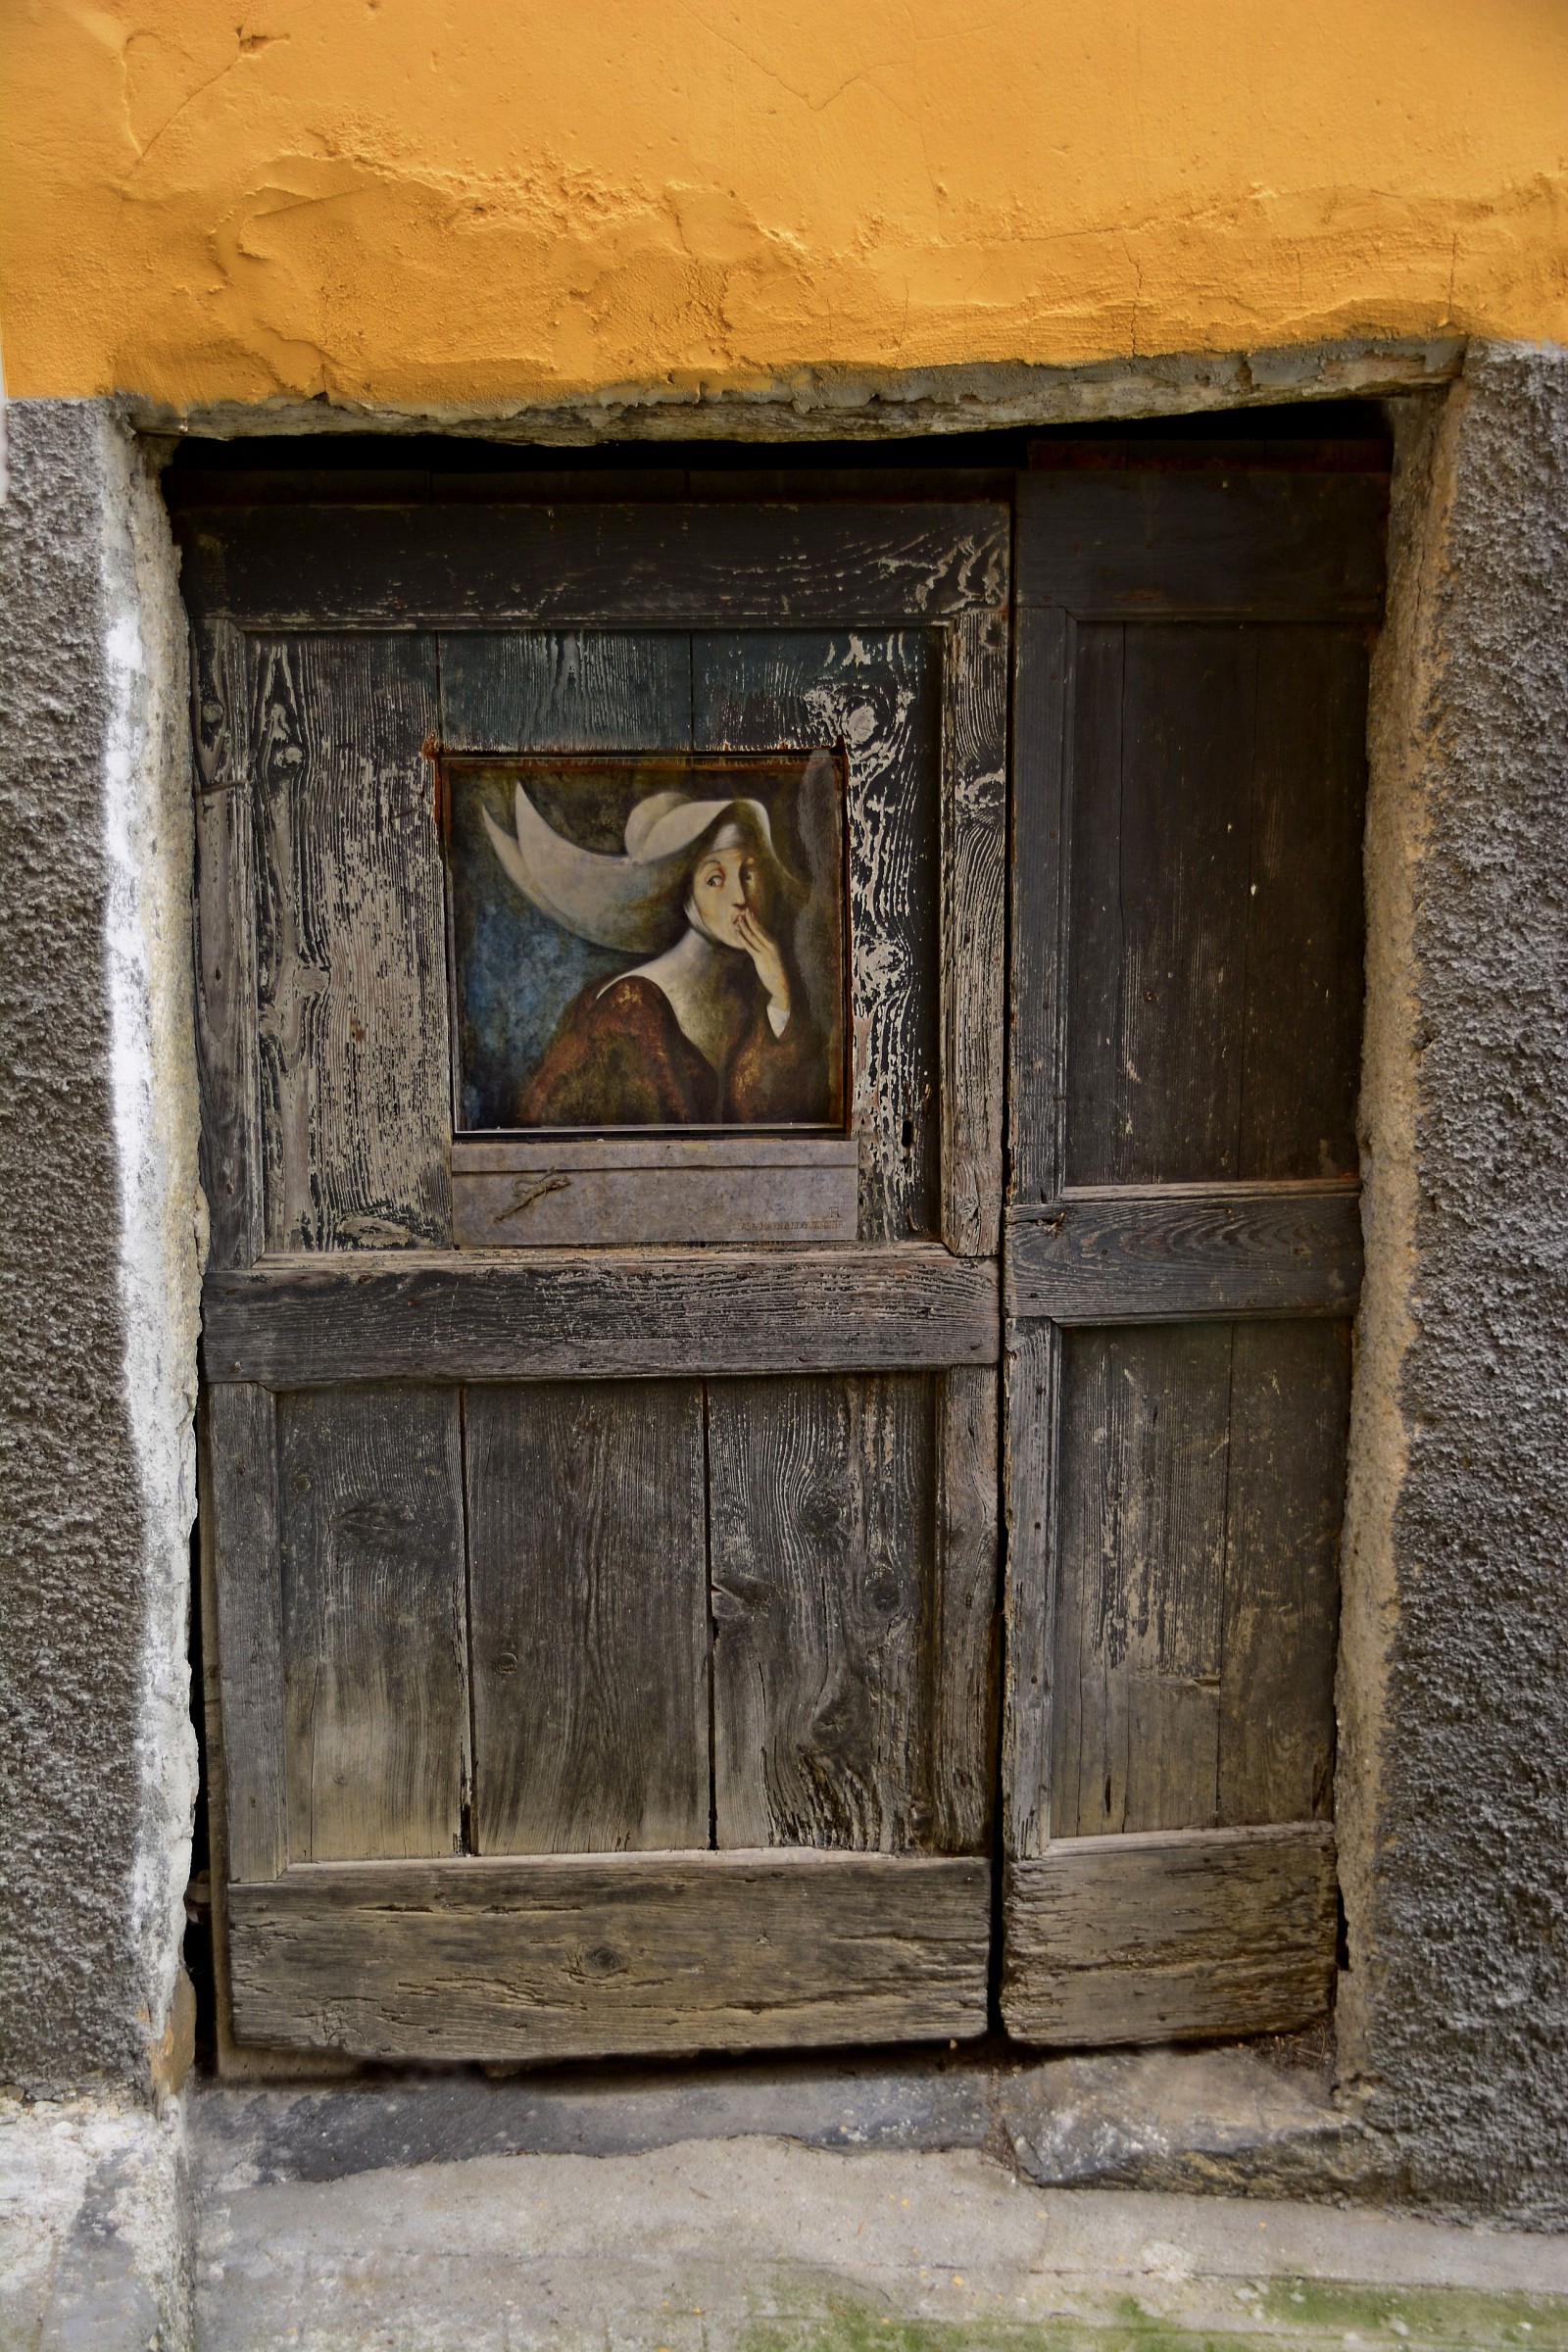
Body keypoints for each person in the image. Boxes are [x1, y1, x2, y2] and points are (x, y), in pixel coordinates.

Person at [482, 783, 830, 1127]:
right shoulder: (632, 1006)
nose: (740, 896)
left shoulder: (752, 993)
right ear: (685, 893)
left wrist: (781, 998)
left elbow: (769, 1124)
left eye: (749, 874)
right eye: (715, 879)